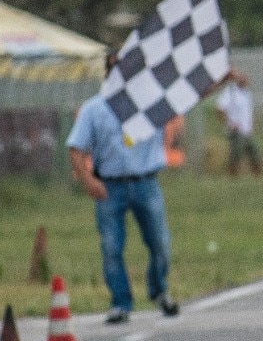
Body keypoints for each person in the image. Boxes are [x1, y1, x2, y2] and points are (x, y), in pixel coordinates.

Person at [66, 54, 181, 324]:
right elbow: (75, 147)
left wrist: (222, 79)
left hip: (146, 182)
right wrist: (87, 180)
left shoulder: (151, 103)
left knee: (160, 243)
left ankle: (159, 290)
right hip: (111, 186)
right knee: (111, 246)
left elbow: (188, 93)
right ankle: (120, 302)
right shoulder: (95, 108)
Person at [213, 68, 263, 176]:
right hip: (236, 130)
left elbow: (248, 113)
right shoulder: (231, 93)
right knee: (236, 153)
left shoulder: (247, 94)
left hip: (247, 130)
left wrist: (250, 126)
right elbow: (220, 109)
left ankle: (258, 175)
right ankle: (233, 175)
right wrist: (228, 123)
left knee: (254, 152)